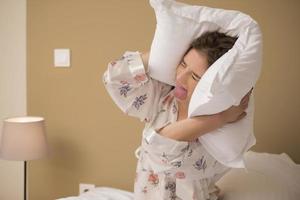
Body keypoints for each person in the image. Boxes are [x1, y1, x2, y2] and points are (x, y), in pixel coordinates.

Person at [103, 31, 251, 200]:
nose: (180, 77)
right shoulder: (165, 96)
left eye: (195, 76)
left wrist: (218, 119)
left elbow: (159, 150)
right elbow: (114, 78)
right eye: (183, 63)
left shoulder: (223, 129)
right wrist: (167, 51)